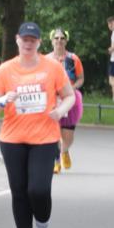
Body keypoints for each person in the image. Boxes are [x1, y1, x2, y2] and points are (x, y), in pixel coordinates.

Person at [0, 22, 75, 228]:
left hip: (45, 138)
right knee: (19, 192)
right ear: (17, 40)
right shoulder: (6, 70)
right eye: (24, 39)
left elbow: (70, 95)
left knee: (39, 190)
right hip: (12, 139)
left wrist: (61, 111)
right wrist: (3, 99)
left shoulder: (52, 68)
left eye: (32, 40)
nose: (28, 43)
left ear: (38, 43)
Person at [46, 28, 84, 173]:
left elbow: (81, 78)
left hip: (69, 100)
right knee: (53, 132)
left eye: (62, 38)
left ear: (66, 41)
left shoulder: (73, 59)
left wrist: (73, 87)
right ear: (52, 41)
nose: (59, 41)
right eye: (56, 38)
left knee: (67, 136)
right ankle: (56, 161)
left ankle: (65, 150)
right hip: (52, 100)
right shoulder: (46, 59)